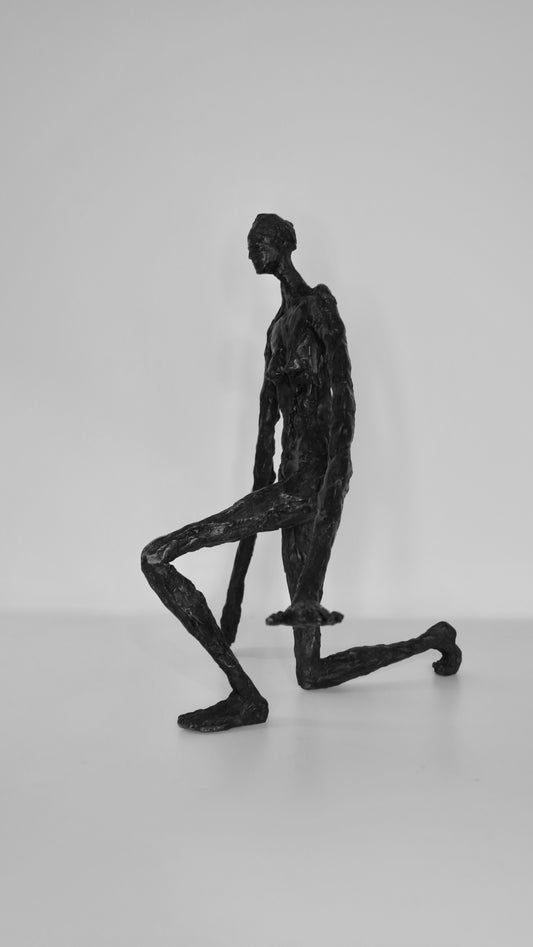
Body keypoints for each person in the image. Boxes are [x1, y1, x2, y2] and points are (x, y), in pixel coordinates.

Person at [141, 214, 461, 732]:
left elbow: (345, 416)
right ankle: (434, 639)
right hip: (285, 488)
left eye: (260, 241)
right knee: (310, 673)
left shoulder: (318, 305)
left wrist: (322, 541)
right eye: (249, 244)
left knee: (156, 556)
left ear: (286, 245)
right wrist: (235, 591)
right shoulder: (273, 331)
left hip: (311, 486)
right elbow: (263, 442)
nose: (251, 251)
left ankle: (247, 697)